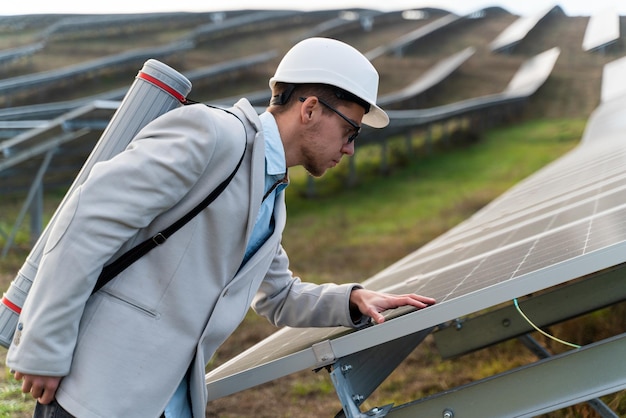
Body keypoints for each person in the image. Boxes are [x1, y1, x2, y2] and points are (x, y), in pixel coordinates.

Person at [6, 37, 436, 418]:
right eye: (350, 128)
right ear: (309, 109)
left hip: (165, 402)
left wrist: (353, 299)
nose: (351, 147)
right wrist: (45, 348)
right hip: (95, 394)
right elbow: (86, 222)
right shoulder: (211, 135)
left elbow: (278, 296)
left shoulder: (270, 191)